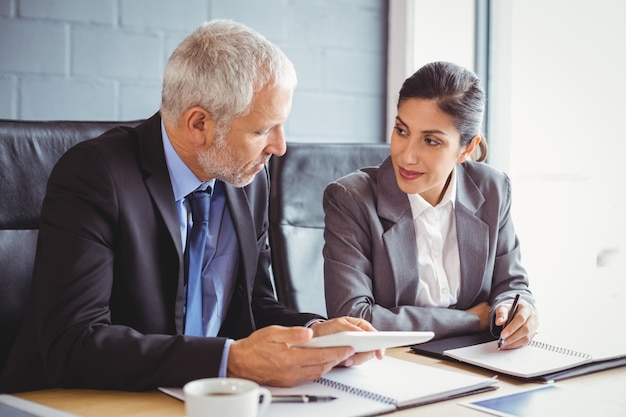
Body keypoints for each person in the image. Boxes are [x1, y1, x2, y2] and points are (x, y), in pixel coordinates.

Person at [0, 19, 381, 393]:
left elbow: (254, 306)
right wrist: (229, 359)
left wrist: (314, 332)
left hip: (204, 398)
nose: (279, 147)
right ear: (198, 124)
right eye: (263, 129)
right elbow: (74, 344)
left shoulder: (247, 179)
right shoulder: (95, 176)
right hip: (78, 400)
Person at [323, 61, 538, 349]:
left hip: (480, 359)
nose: (407, 156)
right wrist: (472, 320)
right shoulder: (351, 199)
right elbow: (353, 318)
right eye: (401, 131)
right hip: (392, 364)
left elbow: (511, 285)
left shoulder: (493, 188)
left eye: (431, 141)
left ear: (466, 149)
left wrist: (520, 310)